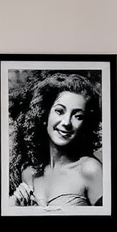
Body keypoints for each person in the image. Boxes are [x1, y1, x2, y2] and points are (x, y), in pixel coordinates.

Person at [9, 72, 103, 209]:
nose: (67, 122)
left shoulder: (90, 169)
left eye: (78, 116)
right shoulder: (29, 173)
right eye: (60, 111)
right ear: (44, 114)